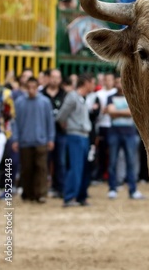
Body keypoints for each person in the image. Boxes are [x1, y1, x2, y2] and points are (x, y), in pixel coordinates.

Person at [12, 77, 55, 203]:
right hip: (25, 141)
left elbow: (49, 121)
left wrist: (50, 138)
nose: (31, 90)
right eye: (29, 87)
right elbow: (16, 122)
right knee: (27, 169)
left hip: (41, 141)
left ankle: (40, 194)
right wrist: (15, 139)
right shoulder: (19, 102)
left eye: (33, 87)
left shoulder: (45, 102)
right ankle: (28, 193)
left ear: (37, 87)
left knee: (41, 168)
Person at [56, 73, 95, 207]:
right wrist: (67, 125)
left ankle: (80, 196)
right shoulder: (73, 96)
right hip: (75, 135)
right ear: (86, 83)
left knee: (84, 168)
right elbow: (61, 116)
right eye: (92, 83)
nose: (94, 86)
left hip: (83, 135)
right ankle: (70, 197)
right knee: (76, 167)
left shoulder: (82, 98)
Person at [106, 75, 144, 200]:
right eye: (117, 82)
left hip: (129, 133)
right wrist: (125, 112)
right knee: (112, 162)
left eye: (121, 82)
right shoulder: (110, 97)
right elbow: (111, 112)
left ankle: (132, 190)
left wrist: (117, 112)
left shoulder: (132, 96)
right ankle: (112, 188)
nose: (119, 85)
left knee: (131, 162)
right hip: (114, 133)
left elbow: (131, 112)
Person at [41, 69, 67, 198]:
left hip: (61, 132)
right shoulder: (41, 94)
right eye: (53, 77)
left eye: (58, 77)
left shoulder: (65, 94)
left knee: (60, 161)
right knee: (44, 161)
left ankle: (60, 188)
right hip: (44, 133)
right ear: (48, 78)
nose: (55, 79)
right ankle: (43, 188)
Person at [95, 73, 116, 182]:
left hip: (112, 125)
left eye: (110, 80)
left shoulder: (115, 94)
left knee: (112, 152)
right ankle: (101, 173)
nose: (108, 82)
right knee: (101, 151)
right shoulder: (99, 94)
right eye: (106, 80)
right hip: (102, 124)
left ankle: (110, 175)